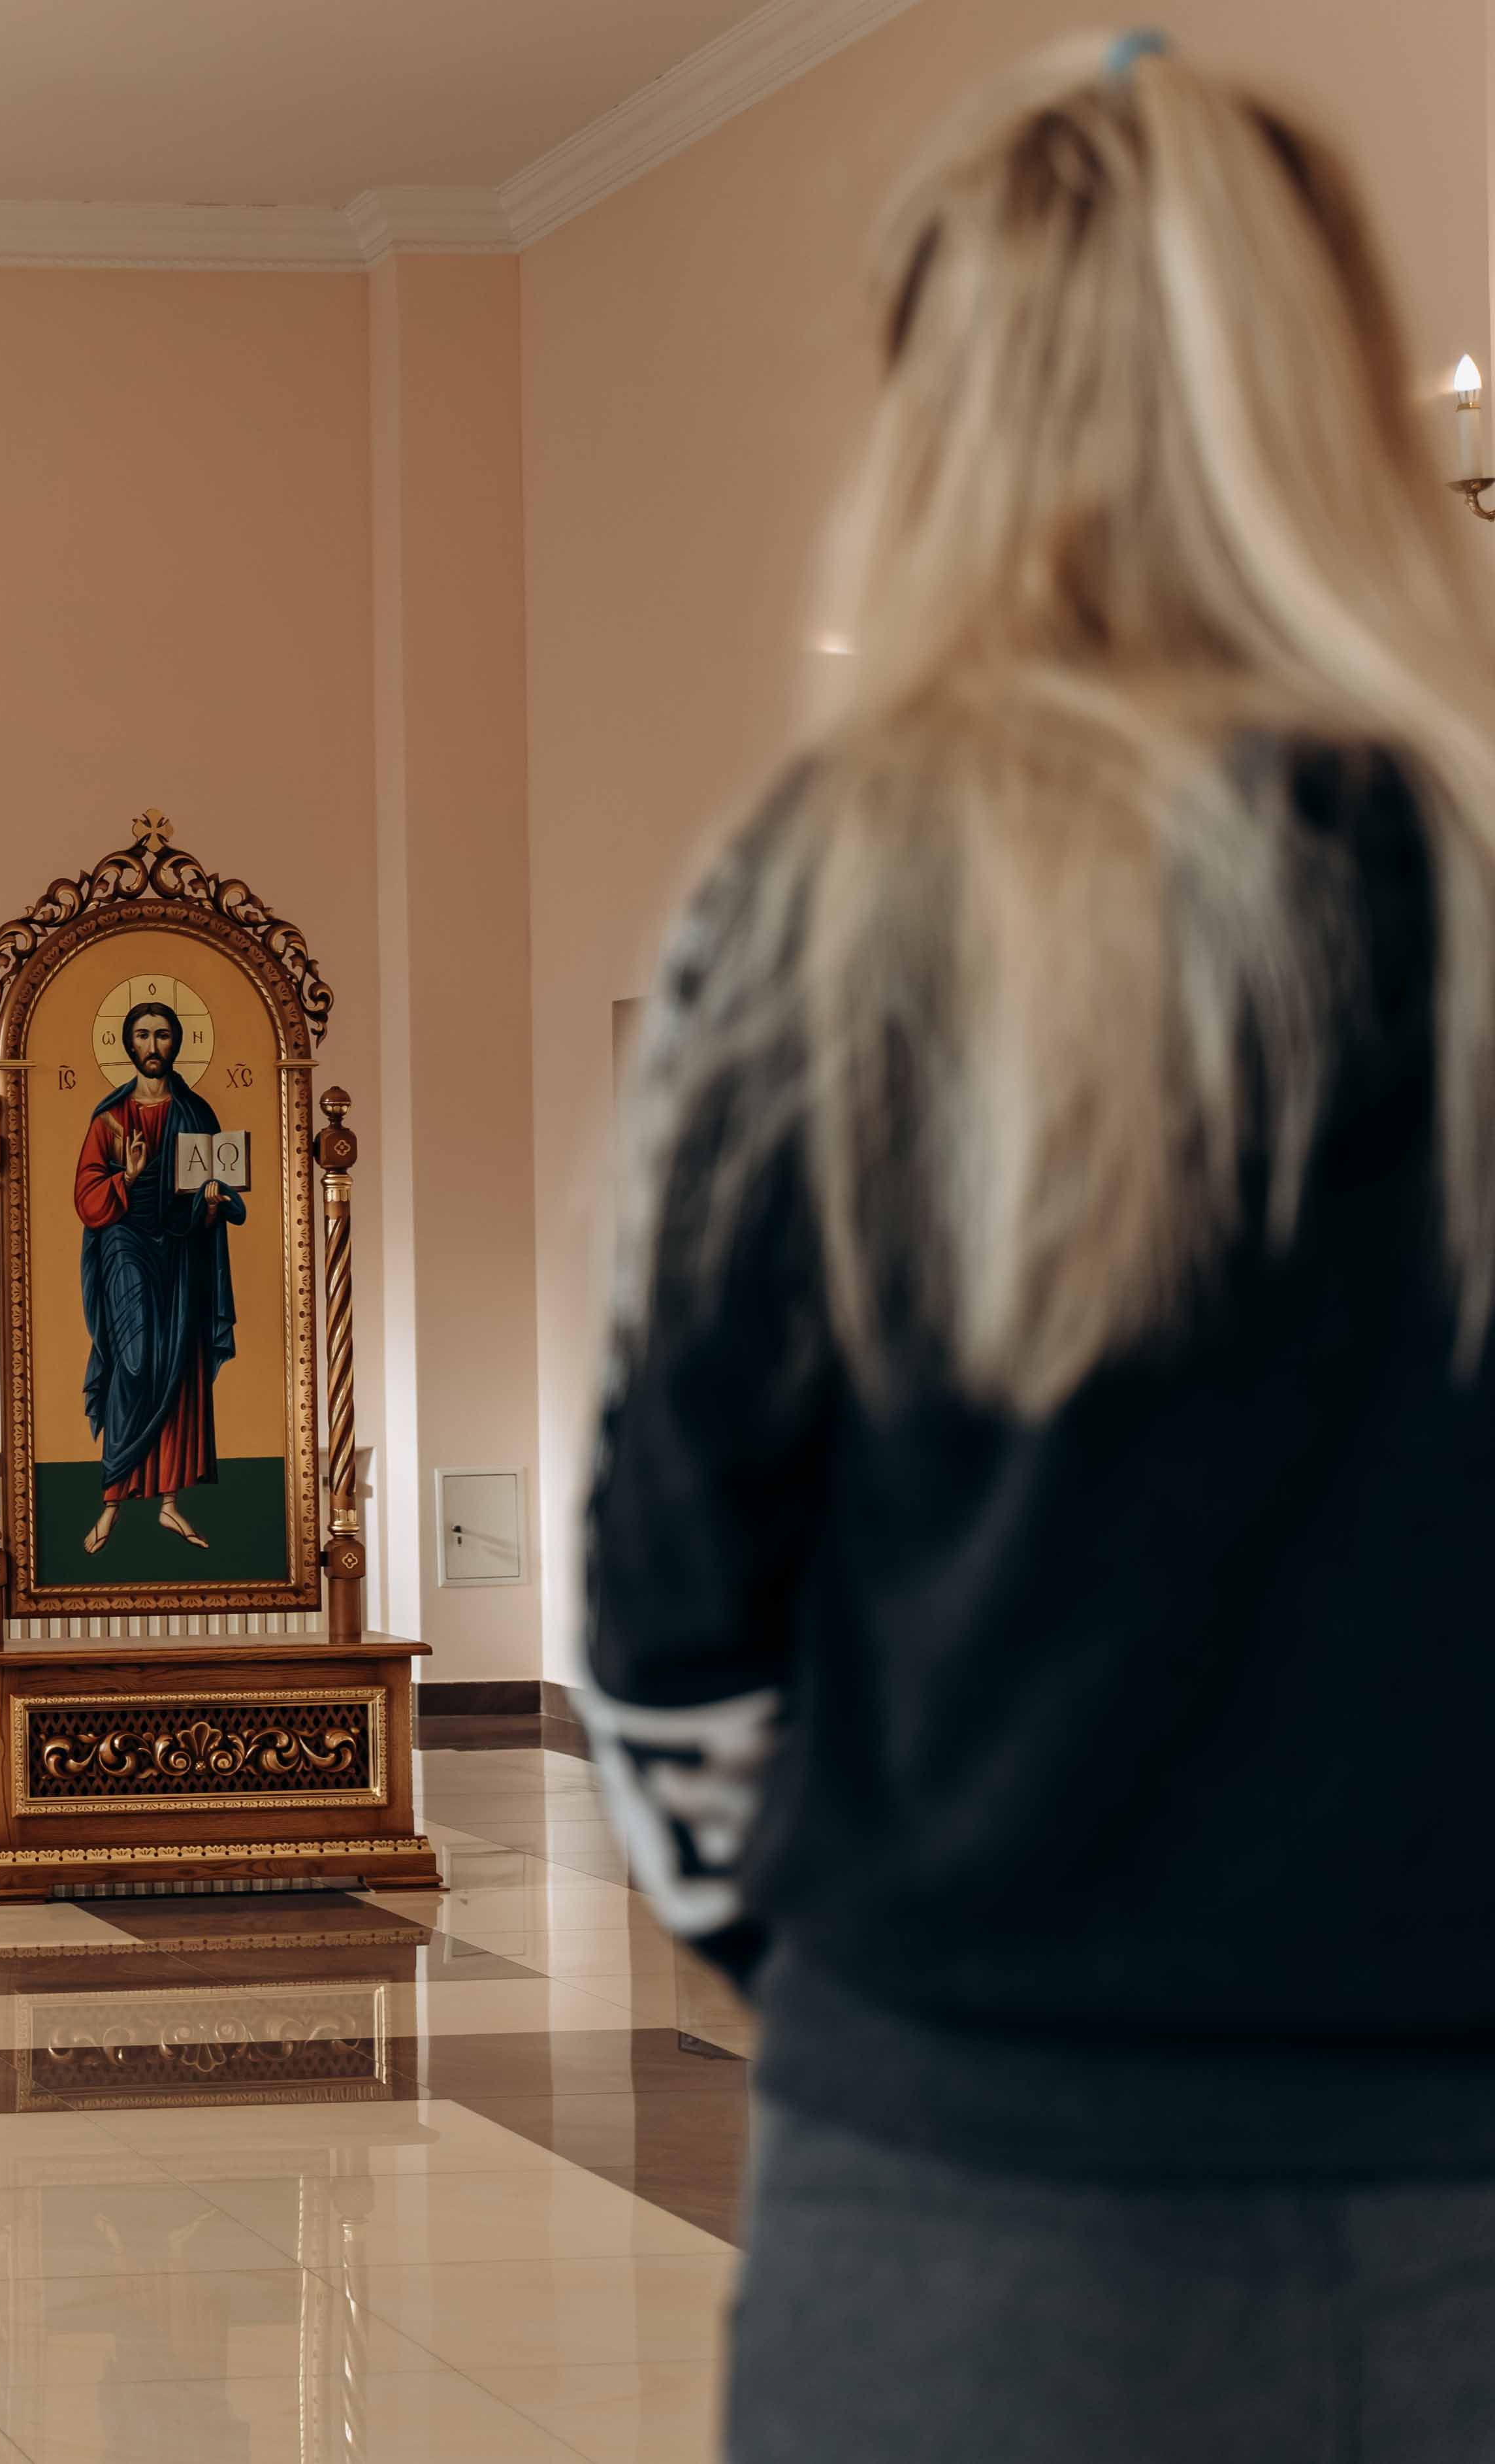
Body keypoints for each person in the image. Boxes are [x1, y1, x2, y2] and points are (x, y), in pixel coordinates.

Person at [584, 35, 1495, 2461]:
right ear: (1329, 373)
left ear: (941, 412)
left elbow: (670, 1616)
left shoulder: (825, 900)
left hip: (969, 2193)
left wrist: (878, 1974)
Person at [72, 999, 243, 1553]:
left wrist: (211, 1205)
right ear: (127, 1044)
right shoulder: (110, 1118)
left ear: (177, 1043)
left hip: (182, 1248)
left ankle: (169, 1503)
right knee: (135, 1359)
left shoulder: (197, 1114)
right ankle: (112, 1501)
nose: (152, 1046)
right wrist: (127, 1176)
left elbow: (208, 1193)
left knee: (179, 1365)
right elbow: (87, 1199)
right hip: (125, 1242)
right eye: (143, 1035)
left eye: (163, 1035)